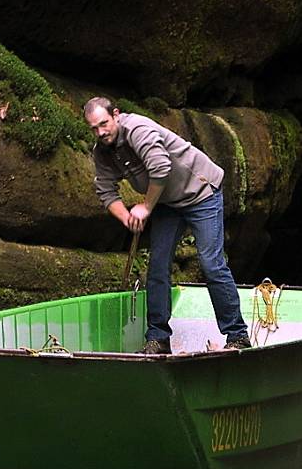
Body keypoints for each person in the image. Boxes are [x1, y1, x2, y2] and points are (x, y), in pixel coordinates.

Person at [83, 96, 251, 354]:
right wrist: (127, 217)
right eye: (94, 128)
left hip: (201, 192)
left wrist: (146, 207)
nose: (101, 131)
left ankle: (237, 335)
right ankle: (158, 339)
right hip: (167, 204)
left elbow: (161, 167)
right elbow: (105, 190)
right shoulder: (102, 150)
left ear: (115, 114)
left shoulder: (138, 129)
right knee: (158, 266)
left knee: (211, 263)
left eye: (104, 123)